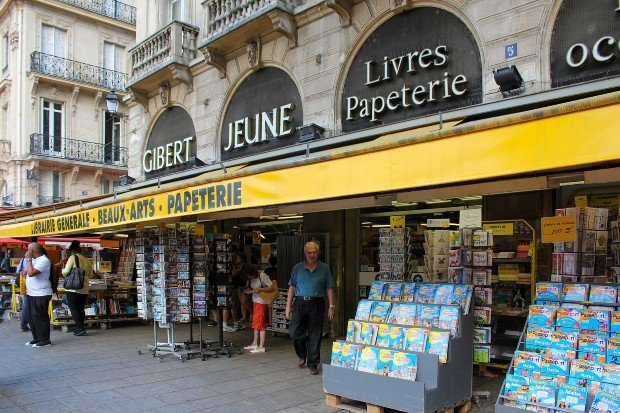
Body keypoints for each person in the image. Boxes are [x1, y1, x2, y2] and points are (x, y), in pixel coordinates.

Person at [285, 241, 336, 375]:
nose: (312, 255)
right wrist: (288, 306)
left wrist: (331, 306)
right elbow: (292, 287)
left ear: (318, 253)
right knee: (295, 333)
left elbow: (329, 288)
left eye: (314, 252)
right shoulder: (297, 268)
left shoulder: (324, 268)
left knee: (315, 334)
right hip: (300, 302)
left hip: (317, 303)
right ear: (305, 253)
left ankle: (313, 363)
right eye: (309, 252)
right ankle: (302, 354)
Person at [23, 242, 53, 347]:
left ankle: (45, 339)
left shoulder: (44, 260)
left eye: (28, 250)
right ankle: (36, 338)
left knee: (40, 316)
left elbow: (32, 273)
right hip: (32, 293)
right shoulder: (35, 260)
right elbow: (28, 271)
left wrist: (28, 259)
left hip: (41, 293)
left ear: (32, 251)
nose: (26, 252)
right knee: (32, 317)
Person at [62, 241, 92, 336]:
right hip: (84, 287)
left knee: (73, 308)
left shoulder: (73, 258)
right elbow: (90, 275)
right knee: (80, 308)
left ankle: (80, 328)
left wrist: (62, 270)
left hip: (73, 288)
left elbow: (66, 271)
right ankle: (81, 327)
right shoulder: (86, 260)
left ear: (73, 251)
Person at [243, 265, 274, 353]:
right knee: (256, 323)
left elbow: (272, 287)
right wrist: (249, 290)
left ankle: (261, 346)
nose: (248, 278)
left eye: (248, 276)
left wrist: (260, 289)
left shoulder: (263, 276)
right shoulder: (252, 278)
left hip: (261, 302)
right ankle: (255, 343)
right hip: (255, 301)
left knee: (260, 324)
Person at [16, 257, 29, 331]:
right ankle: (23, 325)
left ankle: (23, 324)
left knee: (26, 303)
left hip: (24, 283)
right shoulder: (31, 259)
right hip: (29, 284)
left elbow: (18, 271)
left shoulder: (23, 259)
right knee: (26, 303)